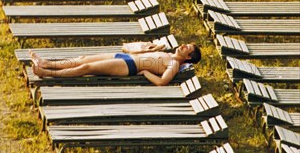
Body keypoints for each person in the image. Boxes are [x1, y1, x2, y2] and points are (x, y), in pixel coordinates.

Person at [30, 42, 201, 86]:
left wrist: (145, 73)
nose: (184, 45)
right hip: (125, 57)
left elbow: (162, 82)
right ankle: (46, 63)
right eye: (186, 44)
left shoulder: (173, 65)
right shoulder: (168, 53)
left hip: (129, 67)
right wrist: (153, 48)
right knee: (83, 59)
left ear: (187, 58)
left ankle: (46, 73)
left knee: (86, 68)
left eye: (187, 48)